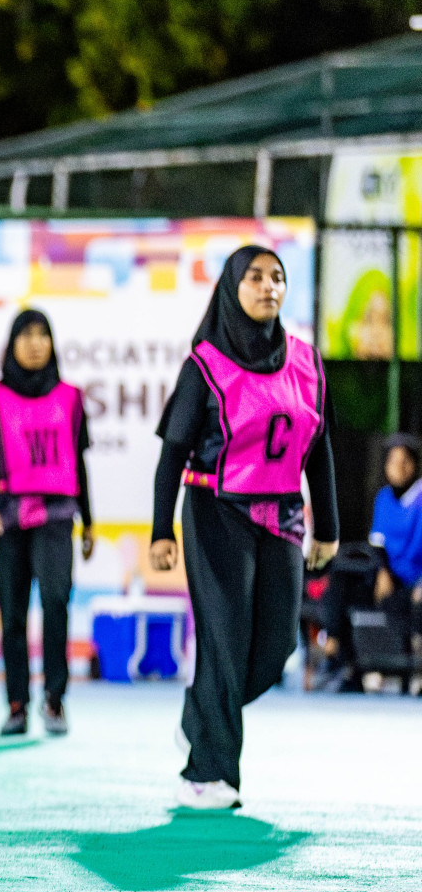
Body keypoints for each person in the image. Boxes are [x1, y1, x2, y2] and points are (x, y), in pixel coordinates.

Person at [150, 245, 337, 810]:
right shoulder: (204, 364)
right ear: (232, 287)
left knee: (278, 644)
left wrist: (327, 528)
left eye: (276, 278)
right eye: (254, 277)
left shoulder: (306, 362)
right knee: (224, 642)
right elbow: (172, 455)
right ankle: (208, 775)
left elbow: (319, 449)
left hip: (280, 516)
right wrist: (162, 532)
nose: (267, 287)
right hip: (214, 512)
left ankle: (200, 711)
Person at [0, 309, 94, 738]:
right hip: (7, 517)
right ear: (12, 343)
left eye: (44, 334)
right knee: (13, 615)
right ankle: (17, 705)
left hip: (59, 516)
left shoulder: (71, 397)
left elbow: (79, 461)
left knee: (57, 602)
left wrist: (90, 522)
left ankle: (55, 700)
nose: (36, 343)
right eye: (27, 335)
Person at [319, 433, 422, 690]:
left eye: (404, 461)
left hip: (414, 582)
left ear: (414, 465)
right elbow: (377, 545)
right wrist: (382, 573)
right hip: (389, 577)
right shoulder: (384, 498)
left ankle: (411, 670)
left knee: (404, 605)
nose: (398, 467)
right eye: (393, 461)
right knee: (341, 580)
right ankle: (343, 662)